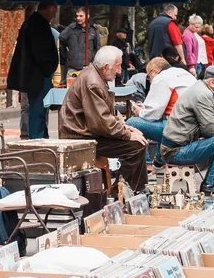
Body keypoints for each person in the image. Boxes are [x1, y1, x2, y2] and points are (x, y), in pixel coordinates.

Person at [59, 46, 148, 192]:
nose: (119, 71)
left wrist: (125, 127)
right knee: (136, 147)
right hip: (80, 137)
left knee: (139, 142)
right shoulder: (93, 82)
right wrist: (127, 134)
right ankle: (121, 191)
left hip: (88, 132)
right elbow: (101, 122)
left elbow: (106, 115)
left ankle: (136, 189)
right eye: (118, 66)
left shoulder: (96, 76)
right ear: (106, 67)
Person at [160, 65, 214, 195]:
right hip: (176, 152)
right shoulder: (203, 94)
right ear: (213, 82)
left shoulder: (202, 89)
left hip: (178, 145)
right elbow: (209, 130)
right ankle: (213, 183)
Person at [126, 56, 195, 164]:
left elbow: (153, 113)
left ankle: (146, 163)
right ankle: (159, 163)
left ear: (154, 72)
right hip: (192, 127)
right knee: (162, 121)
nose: (150, 80)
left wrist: (139, 111)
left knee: (131, 123)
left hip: (178, 128)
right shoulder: (184, 73)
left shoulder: (161, 77)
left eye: (149, 76)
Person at [6, 2, 59, 139]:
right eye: (54, 9)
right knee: (37, 109)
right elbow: (40, 52)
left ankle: (40, 136)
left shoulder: (35, 22)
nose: (55, 13)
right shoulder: (37, 24)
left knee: (40, 110)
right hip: (38, 76)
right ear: (51, 8)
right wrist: (47, 69)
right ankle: (37, 139)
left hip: (38, 75)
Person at [59, 8, 102, 82]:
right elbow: (61, 39)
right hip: (73, 68)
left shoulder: (93, 30)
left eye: (81, 16)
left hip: (89, 68)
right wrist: (66, 56)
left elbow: (98, 48)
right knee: (71, 92)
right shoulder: (71, 28)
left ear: (87, 16)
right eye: (77, 16)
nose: (78, 18)